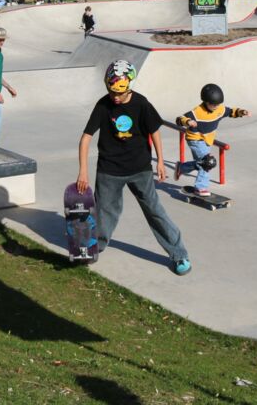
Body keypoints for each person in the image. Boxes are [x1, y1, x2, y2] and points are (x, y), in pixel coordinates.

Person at [76, 60, 190, 275]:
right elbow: (85, 138)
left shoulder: (142, 104)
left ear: (130, 88)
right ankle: (96, 247)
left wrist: (160, 161)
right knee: (104, 212)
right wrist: (83, 171)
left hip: (140, 168)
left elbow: (154, 131)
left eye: (119, 94)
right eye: (111, 92)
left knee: (154, 210)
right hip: (109, 170)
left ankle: (179, 254)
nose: (115, 98)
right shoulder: (103, 105)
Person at [174, 83, 250, 197]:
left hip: (207, 140)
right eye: (212, 104)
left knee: (201, 163)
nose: (215, 107)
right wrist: (188, 122)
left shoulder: (220, 109)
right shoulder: (197, 111)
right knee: (207, 162)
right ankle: (200, 188)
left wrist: (241, 112)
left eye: (217, 104)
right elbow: (180, 119)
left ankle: (182, 168)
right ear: (205, 101)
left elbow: (231, 112)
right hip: (195, 139)